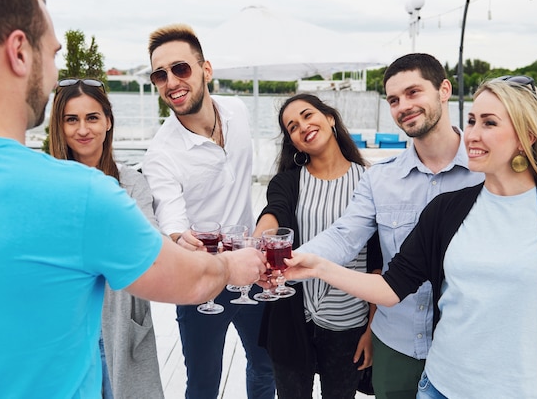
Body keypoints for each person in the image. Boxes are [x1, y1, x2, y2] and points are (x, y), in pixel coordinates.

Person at [0, 0, 266, 397]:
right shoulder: (81, 194)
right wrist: (232, 266)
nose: (53, 75)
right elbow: (178, 270)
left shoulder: (235, 114)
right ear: (18, 52)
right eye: (52, 54)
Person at [284, 76, 537, 399]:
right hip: (440, 387)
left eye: (489, 123)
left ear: (527, 136)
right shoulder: (448, 209)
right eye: (471, 121)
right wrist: (316, 266)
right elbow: (391, 287)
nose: (472, 134)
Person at [276, 53, 485, 399]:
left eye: (414, 92)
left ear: (444, 90)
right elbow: (344, 237)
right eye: (393, 100)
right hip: (397, 347)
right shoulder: (380, 179)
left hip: (467, 347)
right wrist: (295, 259)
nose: (403, 105)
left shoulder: (486, 172)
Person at [142, 24, 275, 399]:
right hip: (202, 283)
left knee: (265, 367)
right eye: (160, 75)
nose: (171, 81)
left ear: (206, 70)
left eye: (180, 68)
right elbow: (172, 220)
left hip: (252, 267)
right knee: (203, 384)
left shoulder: (237, 110)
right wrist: (177, 237)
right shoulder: (161, 154)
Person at [253, 93, 381, 398]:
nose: (303, 127)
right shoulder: (287, 182)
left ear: (330, 118)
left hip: (349, 322)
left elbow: (378, 261)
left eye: (308, 115)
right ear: (294, 143)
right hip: (291, 319)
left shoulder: (371, 181)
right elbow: (275, 212)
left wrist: (372, 330)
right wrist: (259, 243)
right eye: (292, 127)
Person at [49, 78, 164, 399]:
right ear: (59, 126)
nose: (82, 129)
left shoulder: (131, 181)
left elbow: (151, 242)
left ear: (108, 121)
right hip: (68, 328)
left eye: (92, 117)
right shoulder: (50, 182)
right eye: (71, 119)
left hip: (121, 321)